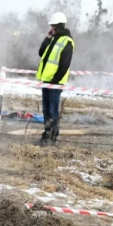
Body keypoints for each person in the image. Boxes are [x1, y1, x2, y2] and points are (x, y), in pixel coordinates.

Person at [37, 12, 74, 145]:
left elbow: (64, 65)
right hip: (47, 81)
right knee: (46, 109)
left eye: (52, 26)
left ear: (57, 26)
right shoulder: (53, 39)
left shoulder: (67, 42)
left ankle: (52, 137)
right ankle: (47, 133)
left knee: (52, 109)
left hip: (55, 83)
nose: (50, 28)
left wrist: (55, 81)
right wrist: (47, 38)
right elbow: (41, 53)